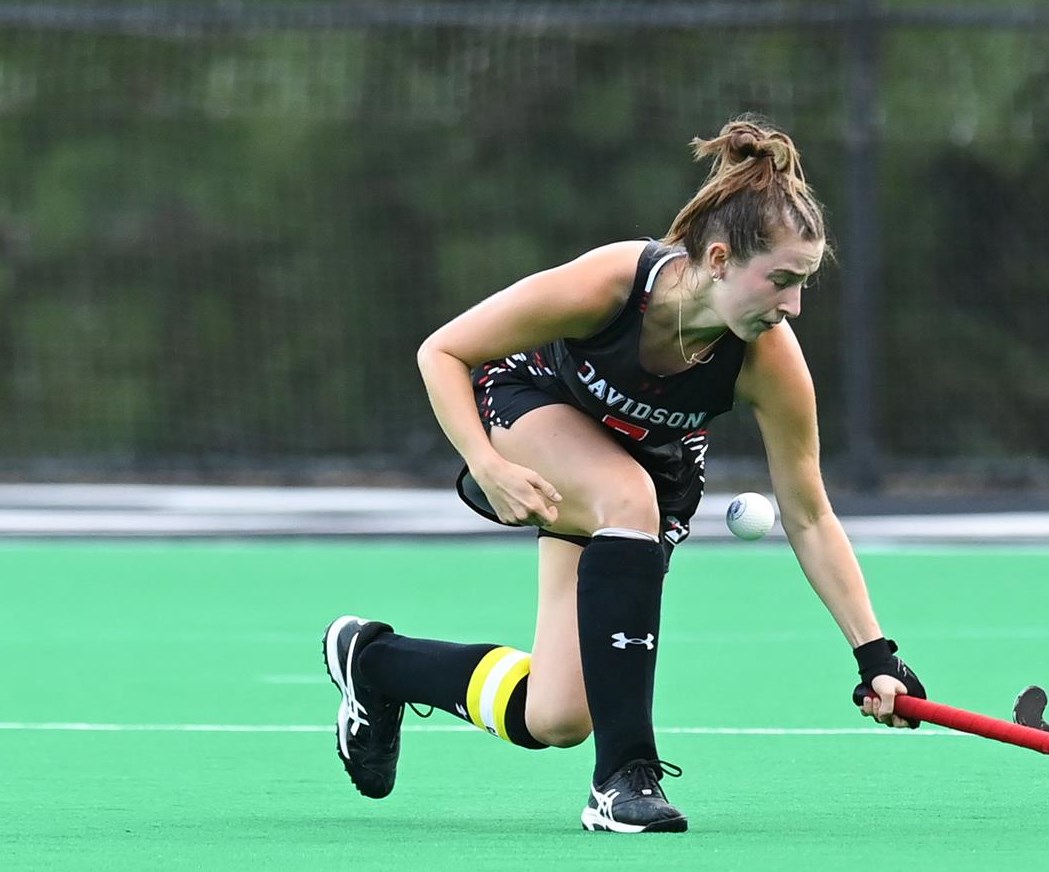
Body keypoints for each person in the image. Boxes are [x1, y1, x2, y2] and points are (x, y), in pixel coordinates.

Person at [323, 116, 925, 833]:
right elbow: (442, 351)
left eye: (803, 285)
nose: (792, 305)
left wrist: (875, 655)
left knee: (554, 714)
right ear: (721, 258)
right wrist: (486, 463)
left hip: (647, 477)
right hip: (534, 410)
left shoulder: (770, 361)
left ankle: (378, 663)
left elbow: (809, 514)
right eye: (782, 281)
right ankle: (623, 778)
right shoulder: (613, 284)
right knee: (623, 494)